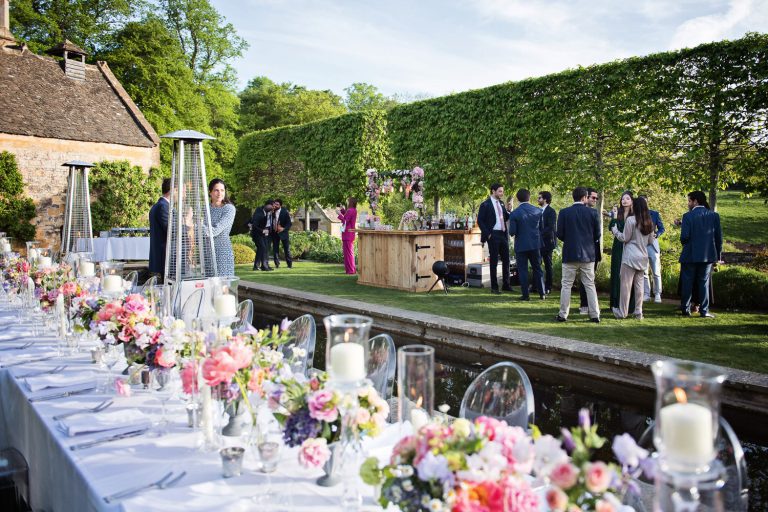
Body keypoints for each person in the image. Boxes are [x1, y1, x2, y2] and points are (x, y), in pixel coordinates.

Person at [555, 186, 601, 323]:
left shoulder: (564, 212)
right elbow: (597, 234)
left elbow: (559, 234)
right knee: (590, 285)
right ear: (584, 197)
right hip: (588, 255)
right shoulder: (593, 213)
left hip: (570, 253)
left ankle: (563, 314)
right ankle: (595, 315)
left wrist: (570, 240)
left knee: (566, 285)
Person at [679, 191, 722, 318]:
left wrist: (686, 243)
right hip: (707, 255)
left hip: (690, 255)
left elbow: (684, 237)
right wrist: (718, 256)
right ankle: (704, 311)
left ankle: (685, 310)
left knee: (687, 283)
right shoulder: (714, 216)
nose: (688, 203)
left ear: (696, 201)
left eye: (689, 201)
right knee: (703, 283)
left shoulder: (687, 216)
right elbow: (718, 238)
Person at [611, 197, 655, 320]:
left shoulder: (631, 220)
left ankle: (622, 312)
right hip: (642, 257)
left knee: (625, 285)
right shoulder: (649, 222)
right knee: (639, 286)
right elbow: (651, 241)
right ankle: (638, 312)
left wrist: (615, 230)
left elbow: (624, 238)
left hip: (630, 257)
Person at [509, 189, 545, 300]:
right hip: (535, 244)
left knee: (522, 270)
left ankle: (525, 295)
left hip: (521, 245)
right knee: (537, 268)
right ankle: (542, 293)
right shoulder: (538, 211)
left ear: (517, 199)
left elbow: (512, 232)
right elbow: (541, 228)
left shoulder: (514, 213)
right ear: (529, 198)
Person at [477, 183, 512, 294]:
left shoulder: (501, 203)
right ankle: (494, 287)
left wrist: (509, 210)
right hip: (493, 235)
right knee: (494, 261)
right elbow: (480, 221)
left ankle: (506, 285)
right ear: (493, 191)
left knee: (506, 260)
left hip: (503, 234)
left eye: (502, 191)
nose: (502, 193)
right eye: (500, 191)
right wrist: (488, 234)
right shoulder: (485, 204)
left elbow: (506, 217)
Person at [608, 191, 635, 313]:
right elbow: (611, 227)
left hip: (630, 246)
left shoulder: (634, 215)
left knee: (628, 275)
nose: (624, 201)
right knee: (616, 273)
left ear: (632, 201)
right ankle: (615, 303)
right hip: (618, 246)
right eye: (623, 199)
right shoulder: (617, 213)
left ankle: (629, 305)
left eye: (627, 198)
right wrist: (614, 217)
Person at [578, 188, 602, 314]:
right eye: (593, 197)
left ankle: (590, 305)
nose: (595, 200)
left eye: (596, 198)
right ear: (585, 197)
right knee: (584, 280)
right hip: (579, 250)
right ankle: (584, 304)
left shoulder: (594, 212)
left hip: (593, 250)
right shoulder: (576, 211)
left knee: (589, 280)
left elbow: (597, 233)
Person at [207, 178, 236, 276]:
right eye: (216, 190)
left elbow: (215, 230)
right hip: (207, 253)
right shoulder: (205, 209)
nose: (219, 193)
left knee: (222, 283)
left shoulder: (229, 209)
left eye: (222, 190)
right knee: (208, 283)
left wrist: (197, 225)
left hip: (222, 252)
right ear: (210, 192)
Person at [640, 196, 665, 303]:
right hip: (641, 245)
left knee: (656, 271)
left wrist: (657, 234)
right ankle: (646, 294)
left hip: (653, 245)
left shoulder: (655, 214)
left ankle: (657, 293)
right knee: (644, 271)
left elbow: (662, 228)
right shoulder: (636, 215)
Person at [148, 178, 171, 281]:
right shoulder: (163, 207)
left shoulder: (159, 205)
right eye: (181, 190)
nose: (183, 194)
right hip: (164, 258)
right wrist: (188, 224)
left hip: (161, 258)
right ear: (173, 190)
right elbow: (171, 231)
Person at [538, 191, 557, 295]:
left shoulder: (551, 211)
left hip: (548, 242)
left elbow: (551, 227)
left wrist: (539, 234)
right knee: (537, 264)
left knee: (548, 265)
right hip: (538, 242)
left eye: (539, 198)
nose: (538, 199)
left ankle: (548, 286)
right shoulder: (538, 211)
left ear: (545, 199)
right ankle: (537, 285)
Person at [250, 200, 275, 271]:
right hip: (257, 234)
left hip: (264, 234)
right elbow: (254, 225)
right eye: (272, 206)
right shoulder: (259, 212)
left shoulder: (268, 212)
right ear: (267, 205)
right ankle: (262, 266)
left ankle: (259, 266)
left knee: (263, 248)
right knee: (262, 248)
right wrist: (262, 230)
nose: (273, 208)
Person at [338, 197, 358, 274]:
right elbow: (347, 217)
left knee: (348, 253)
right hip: (350, 234)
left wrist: (339, 214)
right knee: (349, 252)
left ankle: (350, 270)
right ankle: (351, 269)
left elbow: (345, 221)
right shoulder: (353, 210)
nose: (347, 203)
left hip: (347, 234)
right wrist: (342, 210)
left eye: (348, 201)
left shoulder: (350, 210)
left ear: (351, 202)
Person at [270, 199, 293, 268]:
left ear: (280, 205)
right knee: (275, 249)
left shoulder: (285, 212)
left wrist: (283, 229)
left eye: (277, 204)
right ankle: (277, 264)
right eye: (275, 204)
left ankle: (289, 264)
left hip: (283, 233)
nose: (275, 206)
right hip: (274, 233)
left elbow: (289, 223)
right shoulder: (272, 211)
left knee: (286, 249)